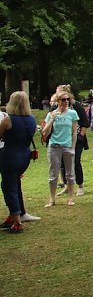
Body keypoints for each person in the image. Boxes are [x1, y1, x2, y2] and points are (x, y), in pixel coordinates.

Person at [0, 91, 38, 232]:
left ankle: (16, 221)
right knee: (13, 184)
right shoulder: (32, 119)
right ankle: (14, 215)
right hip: (25, 156)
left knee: (9, 186)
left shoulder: (8, 119)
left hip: (10, 155)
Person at [41, 88, 79, 207]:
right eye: (63, 99)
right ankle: (52, 199)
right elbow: (45, 132)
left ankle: (71, 198)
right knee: (53, 174)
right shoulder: (51, 114)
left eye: (68, 99)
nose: (66, 101)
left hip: (67, 146)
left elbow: (74, 132)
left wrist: (73, 147)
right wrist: (52, 119)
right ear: (58, 101)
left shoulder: (72, 113)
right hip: (54, 146)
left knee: (70, 173)